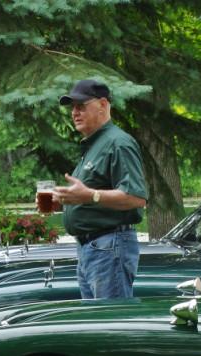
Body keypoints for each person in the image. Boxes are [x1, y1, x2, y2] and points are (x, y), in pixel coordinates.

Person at [52, 79, 148, 299]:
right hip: (92, 248)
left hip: (110, 247)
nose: (74, 112)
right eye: (72, 107)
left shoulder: (118, 143)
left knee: (112, 326)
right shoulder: (95, 144)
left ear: (103, 104)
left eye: (81, 106)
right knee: (96, 324)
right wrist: (66, 200)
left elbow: (136, 197)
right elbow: (90, 196)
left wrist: (89, 195)